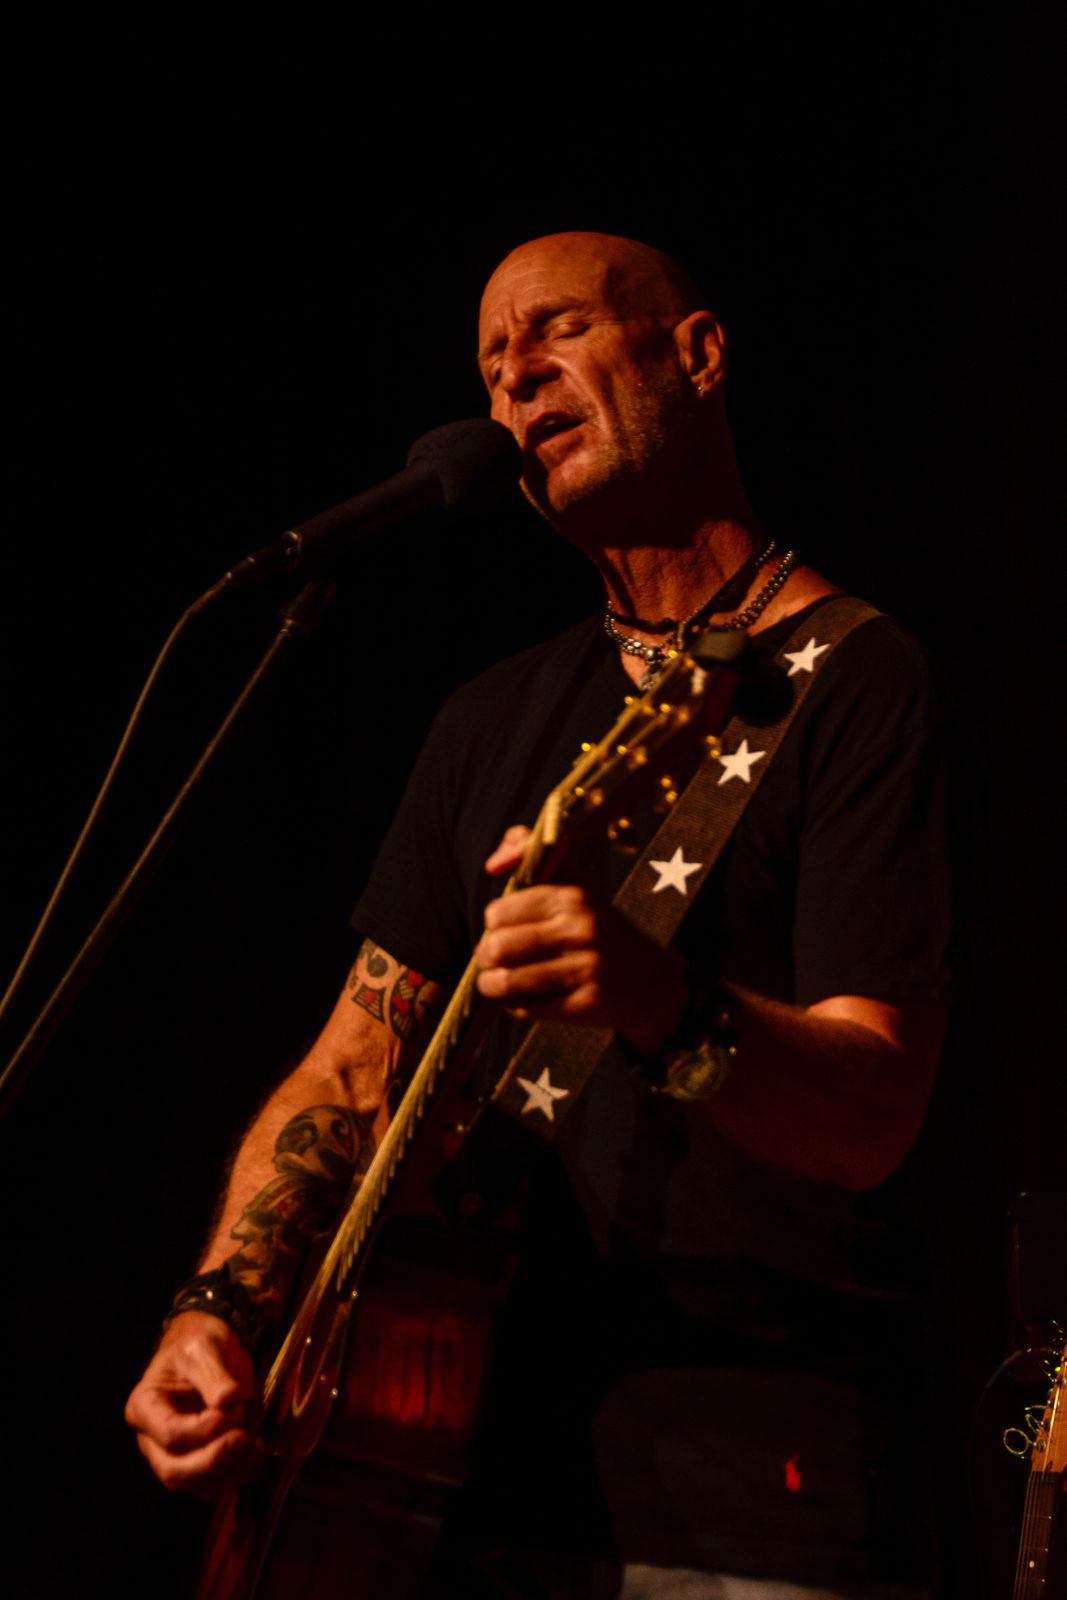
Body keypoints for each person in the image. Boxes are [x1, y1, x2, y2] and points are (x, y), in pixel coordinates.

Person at [126, 233, 953, 1597]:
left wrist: (661, 1002)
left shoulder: (859, 681)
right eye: (491, 363)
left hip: (737, 1504)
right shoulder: (487, 716)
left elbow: (877, 1111)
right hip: (442, 1493)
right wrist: (217, 1308)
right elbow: (350, 1067)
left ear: (699, 354)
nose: (513, 378)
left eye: (556, 329)